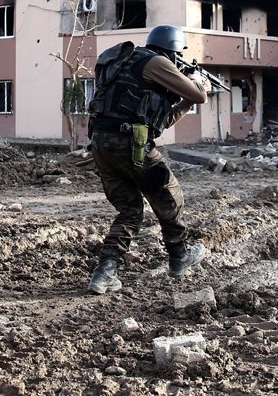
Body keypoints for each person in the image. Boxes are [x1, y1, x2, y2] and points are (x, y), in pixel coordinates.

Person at [85, 24, 211, 294]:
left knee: (129, 210)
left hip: (101, 142)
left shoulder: (128, 62)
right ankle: (179, 256)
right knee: (170, 194)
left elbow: (163, 120)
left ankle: (104, 274)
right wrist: (198, 84)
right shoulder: (157, 62)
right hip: (130, 145)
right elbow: (199, 94)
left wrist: (185, 101)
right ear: (173, 50)